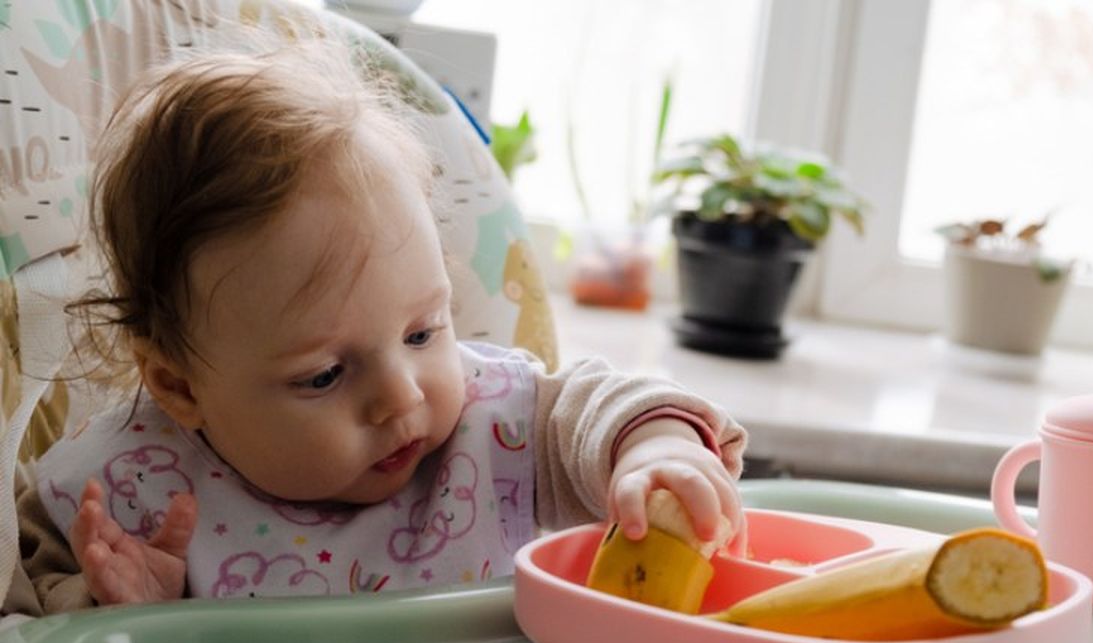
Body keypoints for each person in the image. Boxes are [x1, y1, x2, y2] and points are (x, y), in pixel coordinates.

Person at [10, 37, 747, 610]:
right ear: (179, 385)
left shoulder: (497, 430)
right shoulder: (129, 496)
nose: (402, 396)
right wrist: (118, 610)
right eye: (325, 374)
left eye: (423, 332)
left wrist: (653, 448)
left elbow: (598, 410)